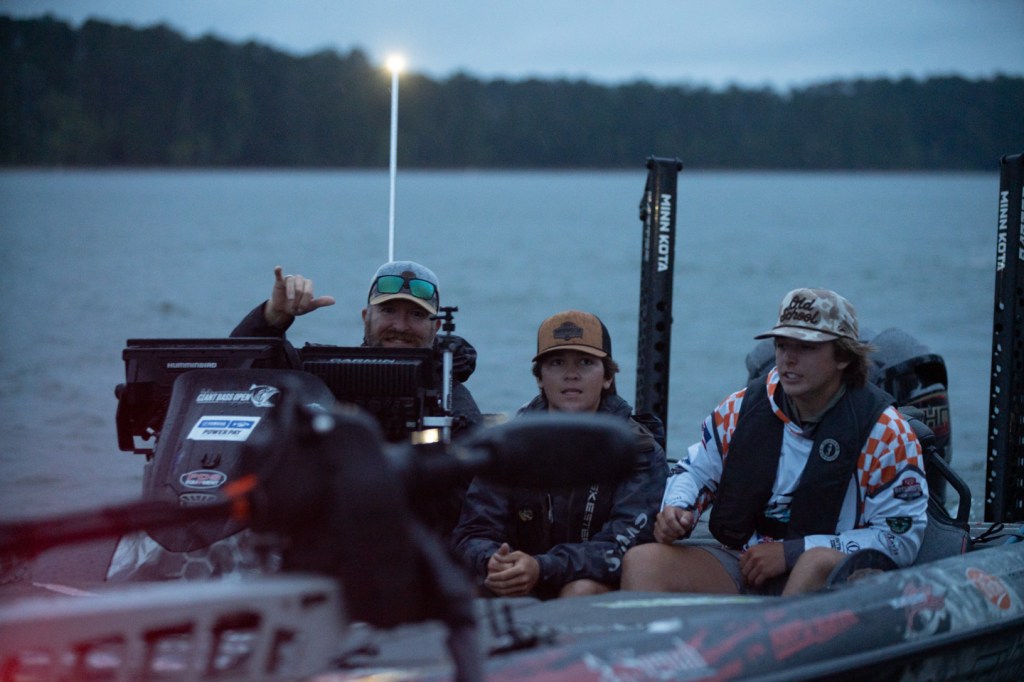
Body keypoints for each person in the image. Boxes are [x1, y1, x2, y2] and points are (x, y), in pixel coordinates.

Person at [621, 288, 928, 596]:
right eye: (782, 345)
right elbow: (696, 471)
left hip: (834, 577)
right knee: (643, 562)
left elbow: (899, 539)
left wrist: (792, 552)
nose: (789, 358)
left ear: (844, 356)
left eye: (806, 347)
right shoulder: (740, 409)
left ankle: (782, 625)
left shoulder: (887, 433)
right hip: (746, 560)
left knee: (815, 563)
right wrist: (678, 508)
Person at [232, 260, 484, 537]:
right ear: (366, 317)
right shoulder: (322, 373)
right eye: (388, 310)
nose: (401, 326)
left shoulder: (452, 404)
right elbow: (239, 378)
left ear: (436, 328)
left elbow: (468, 512)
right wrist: (272, 318)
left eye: (416, 314)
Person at [451, 310, 667, 599]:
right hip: (518, 577)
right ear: (540, 378)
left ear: (607, 377)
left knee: (580, 589)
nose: (571, 374)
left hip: (597, 583)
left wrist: (542, 567)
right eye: (556, 363)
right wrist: (494, 561)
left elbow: (625, 543)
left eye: (585, 362)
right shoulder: (508, 446)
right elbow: (473, 532)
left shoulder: (638, 449)